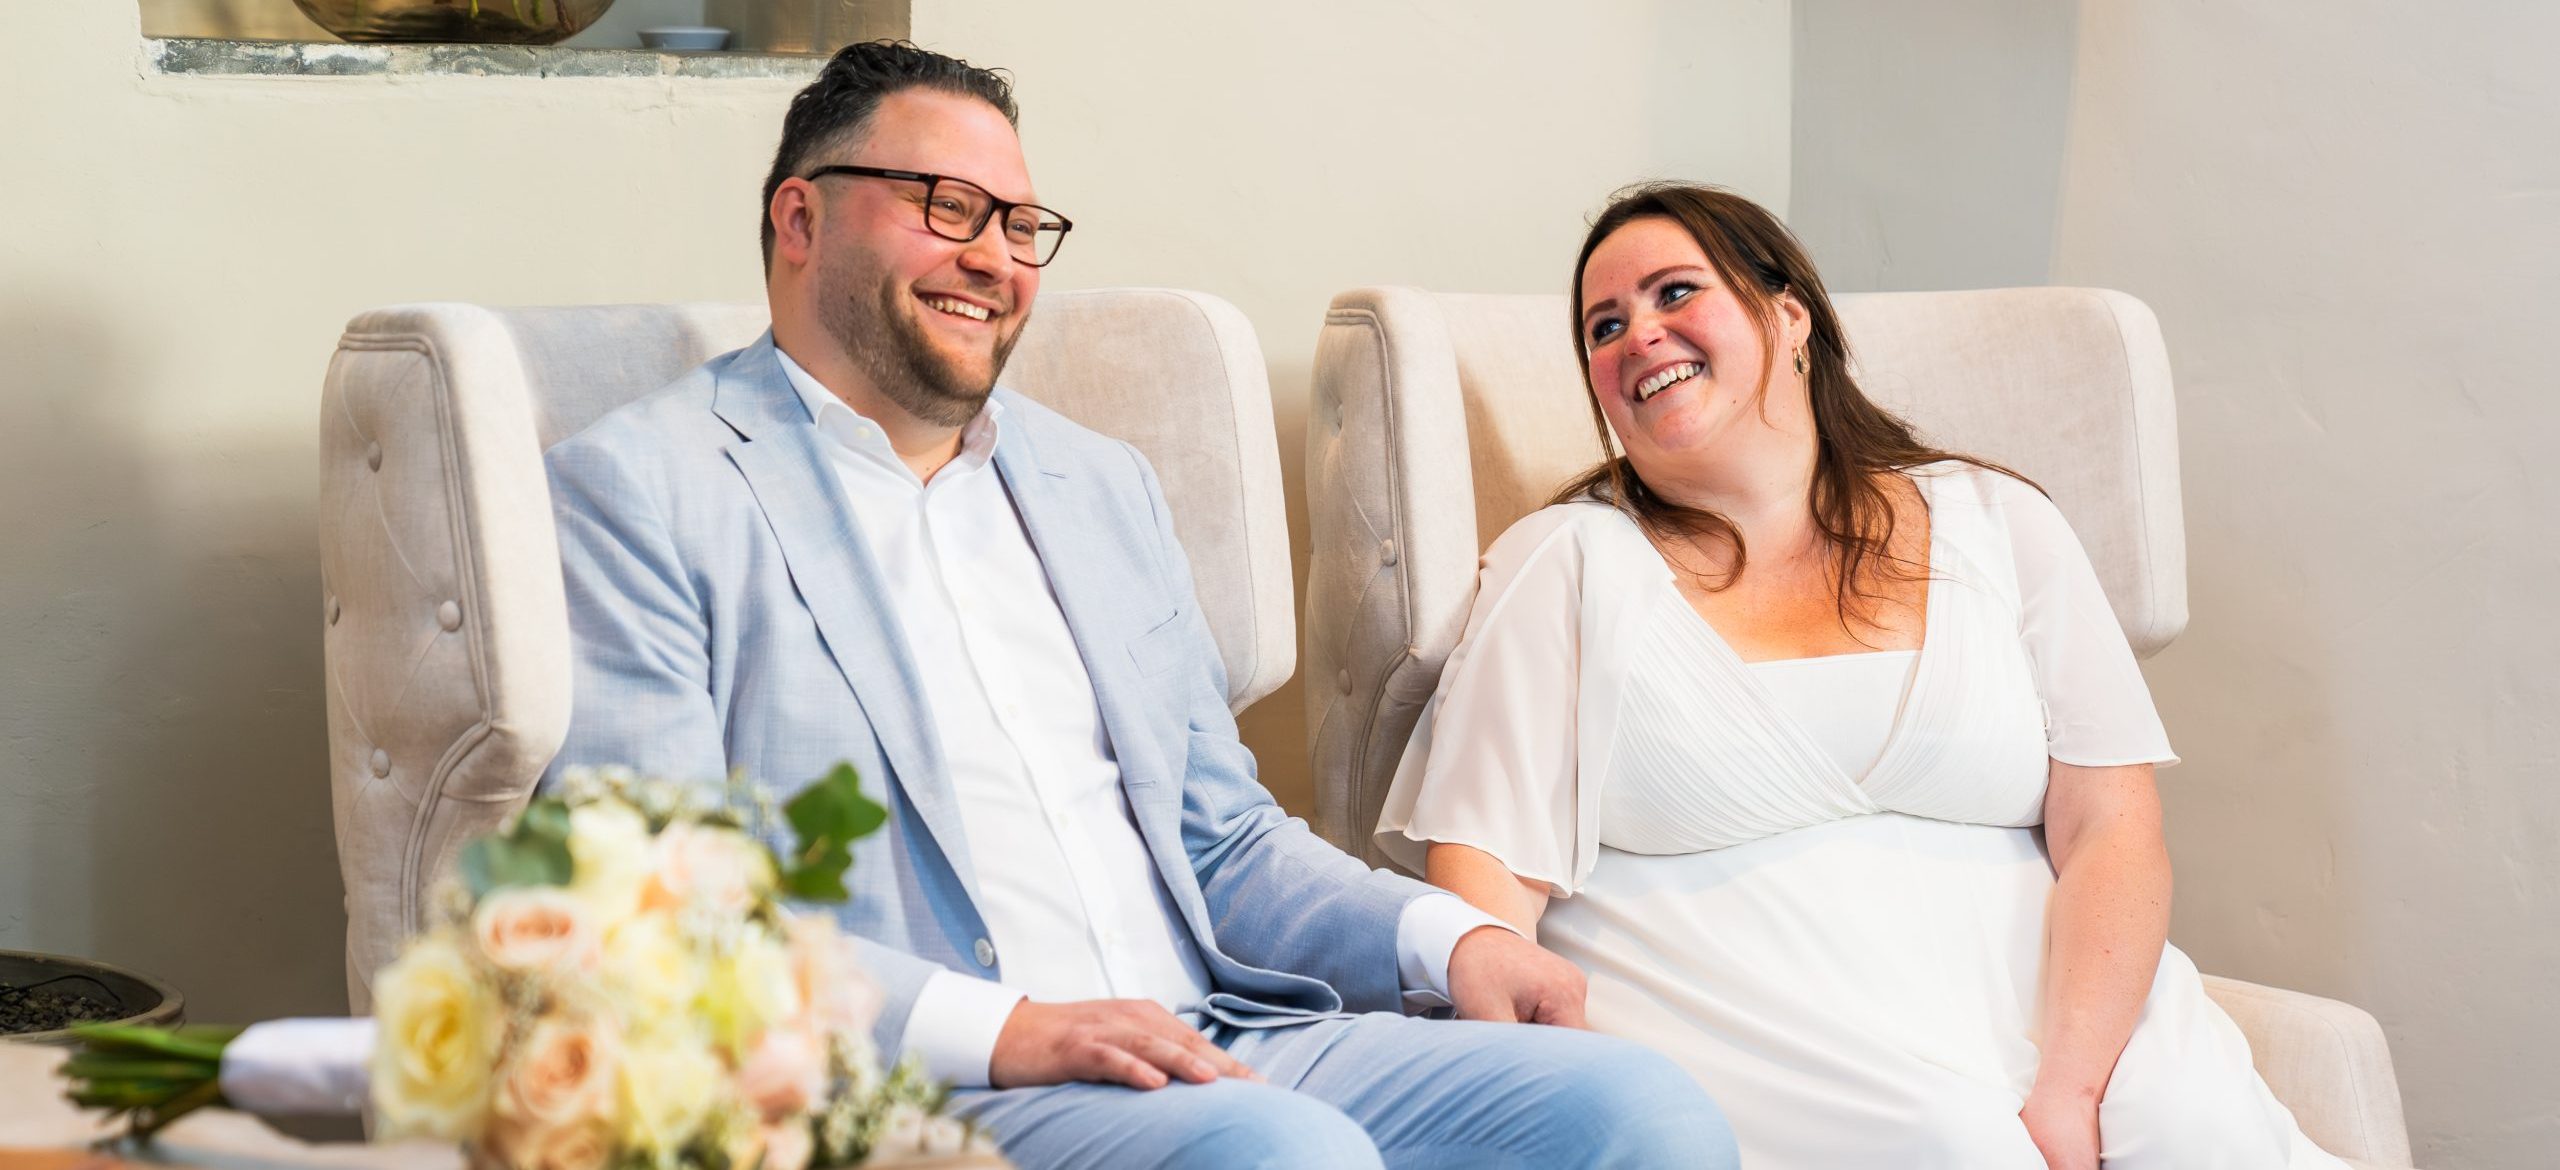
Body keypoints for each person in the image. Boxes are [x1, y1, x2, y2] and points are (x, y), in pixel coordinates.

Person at [542, 41, 1735, 1170]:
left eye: (1019, 225)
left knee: (1640, 1108)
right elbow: (654, 914)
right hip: (927, 1080)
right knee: (1280, 1154)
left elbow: (1223, 841)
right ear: (800, 220)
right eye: (946, 207)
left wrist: (1451, 939)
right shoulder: (640, 491)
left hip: (1218, 1036)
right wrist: (1011, 1030)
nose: (996, 258)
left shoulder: (1098, 484)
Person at [1376, 182, 2343, 1170]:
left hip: (2064, 1027)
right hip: (1773, 1062)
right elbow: (1486, 877)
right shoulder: (1563, 564)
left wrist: (2073, 1088)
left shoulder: (1996, 521)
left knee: (2198, 1132)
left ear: (1789, 315)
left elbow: (2112, 826)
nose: (1639, 336)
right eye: (1604, 327)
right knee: (1956, 1148)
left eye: (1675, 292)